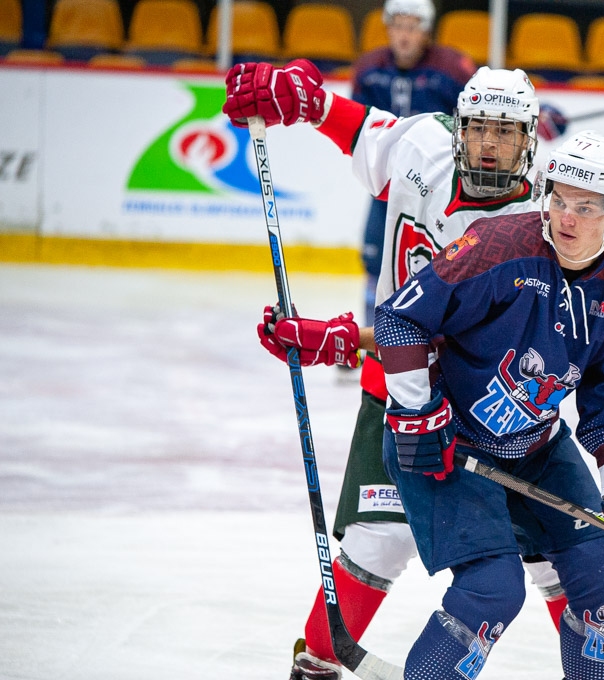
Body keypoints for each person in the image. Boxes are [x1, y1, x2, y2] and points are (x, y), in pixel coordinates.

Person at [222, 59, 571, 678]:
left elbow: (462, 350)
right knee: (373, 542)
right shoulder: (424, 142)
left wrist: (342, 341)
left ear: (529, 140)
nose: (488, 145)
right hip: (394, 398)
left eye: (506, 131)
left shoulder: (532, 233)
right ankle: (318, 666)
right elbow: (366, 137)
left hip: (489, 407)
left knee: (548, 546)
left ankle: (598, 665)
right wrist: (306, 102)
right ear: (458, 126)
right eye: (478, 128)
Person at [371, 130, 604, 679]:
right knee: (492, 590)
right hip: (446, 440)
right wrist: (416, 414)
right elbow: (399, 317)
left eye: (587, 206)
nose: (567, 218)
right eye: (558, 199)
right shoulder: (496, 246)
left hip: (535, 446)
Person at [351, 0, 475, 326]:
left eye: (412, 27)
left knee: (440, 263)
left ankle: (434, 341)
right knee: (375, 262)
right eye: (398, 26)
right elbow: (358, 129)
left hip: (438, 189)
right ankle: (371, 338)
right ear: (388, 28)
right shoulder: (369, 70)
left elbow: (479, 117)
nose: (404, 36)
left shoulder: (453, 68)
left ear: (426, 31)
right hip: (387, 185)